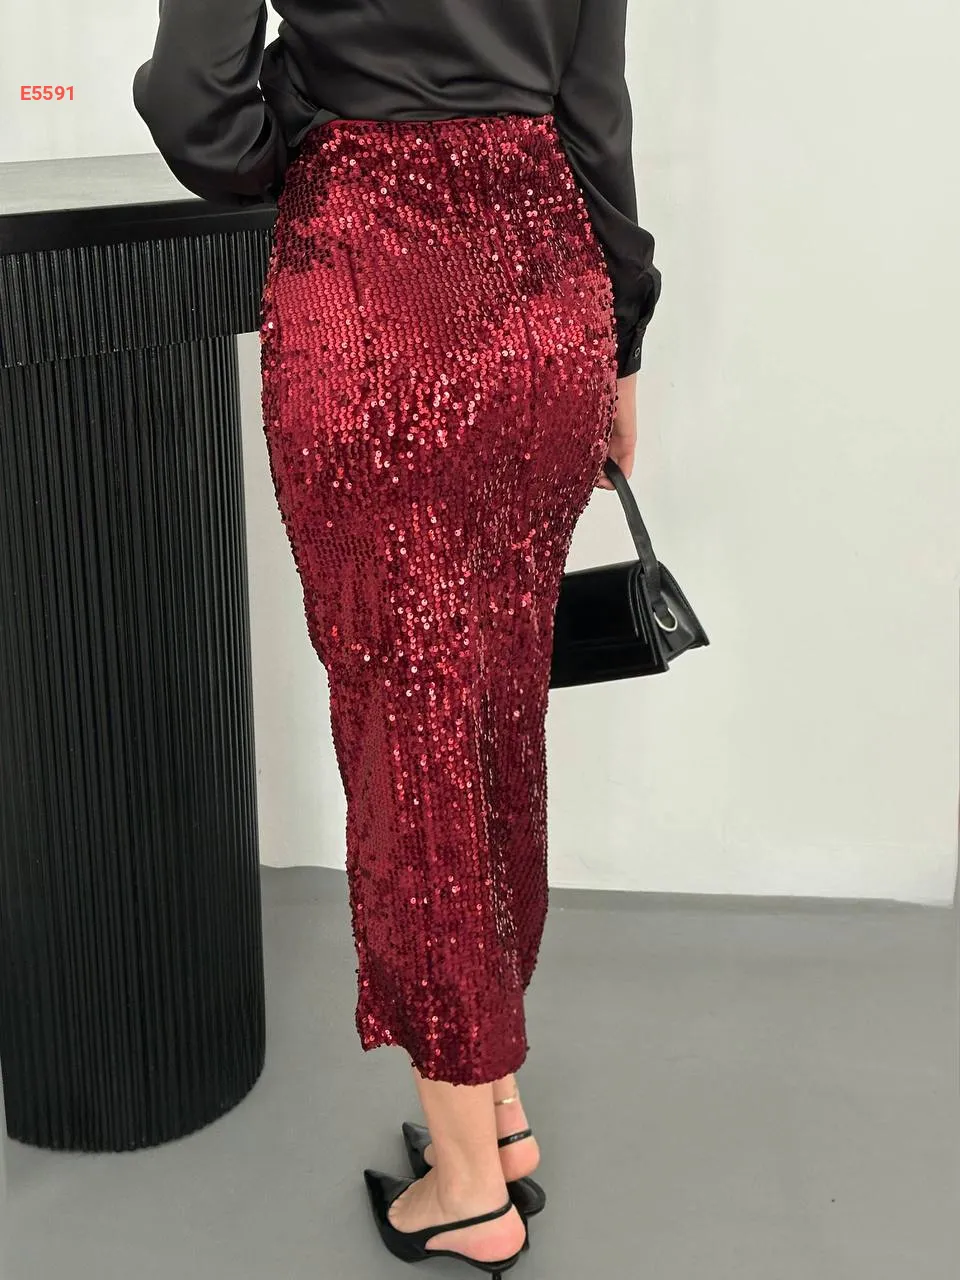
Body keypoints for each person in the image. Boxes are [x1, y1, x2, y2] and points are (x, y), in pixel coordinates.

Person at [133, 2, 661, 1275]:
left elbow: (196, 106)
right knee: (494, 708)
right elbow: (595, 109)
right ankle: (497, 1103)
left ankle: (469, 1185)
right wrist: (623, 344)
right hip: (547, 288)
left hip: (373, 287)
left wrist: (313, 119)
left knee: (409, 732)